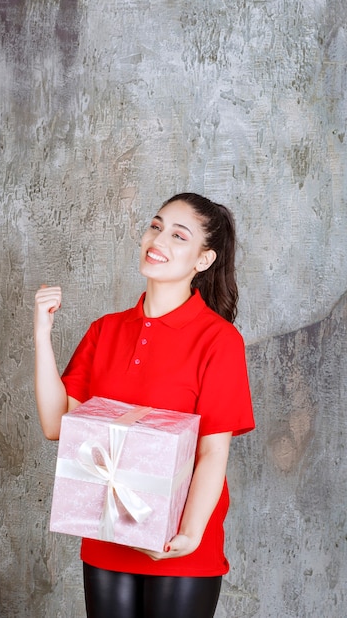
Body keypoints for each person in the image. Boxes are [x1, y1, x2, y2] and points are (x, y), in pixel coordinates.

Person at [34, 192, 255, 618]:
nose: (158, 240)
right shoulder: (106, 330)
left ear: (203, 260)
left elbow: (213, 451)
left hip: (180, 546)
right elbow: (56, 425)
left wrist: (189, 534)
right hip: (106, 537)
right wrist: (42, 333)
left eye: (178, 235)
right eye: (155, 226)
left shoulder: (219, 341)